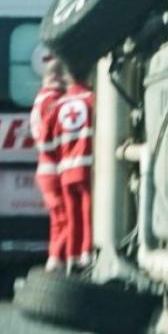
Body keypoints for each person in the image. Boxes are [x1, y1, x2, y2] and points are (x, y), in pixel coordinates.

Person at [29, 55, 68, 274]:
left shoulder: (41, 98)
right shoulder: (52, 101)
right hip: (54, 168)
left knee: (57, 221)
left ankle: (55, 259)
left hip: (45, 168)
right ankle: (55, 263)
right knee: (66, 220)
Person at [55, 68, 95, 272]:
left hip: (65, 171)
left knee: (72, 219)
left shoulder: (59, 104)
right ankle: (86, 256)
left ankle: (71, 258)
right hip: (85, 168)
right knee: (87, 215)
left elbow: (51, 140)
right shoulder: (92, 99)